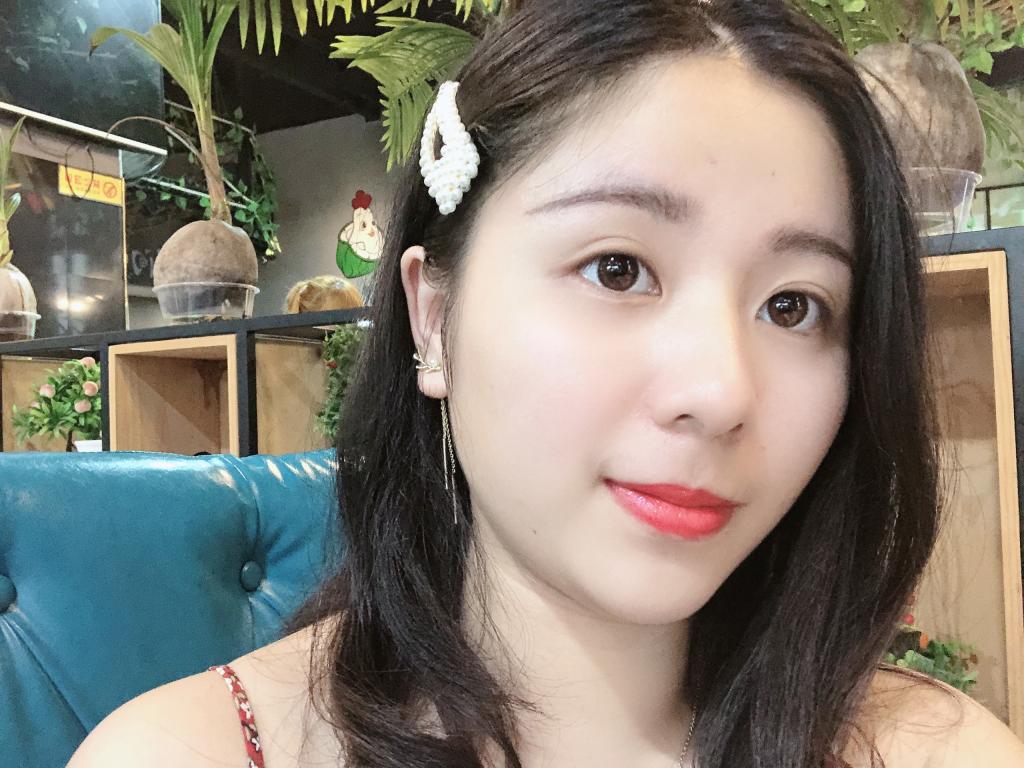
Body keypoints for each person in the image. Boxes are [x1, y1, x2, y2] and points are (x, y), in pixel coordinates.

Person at [68, 1, 1024, 766]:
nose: (721, 391)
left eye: (793, 306)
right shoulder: (194, 752)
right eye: (618, 269)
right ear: (433, 316)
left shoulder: (936, 752)